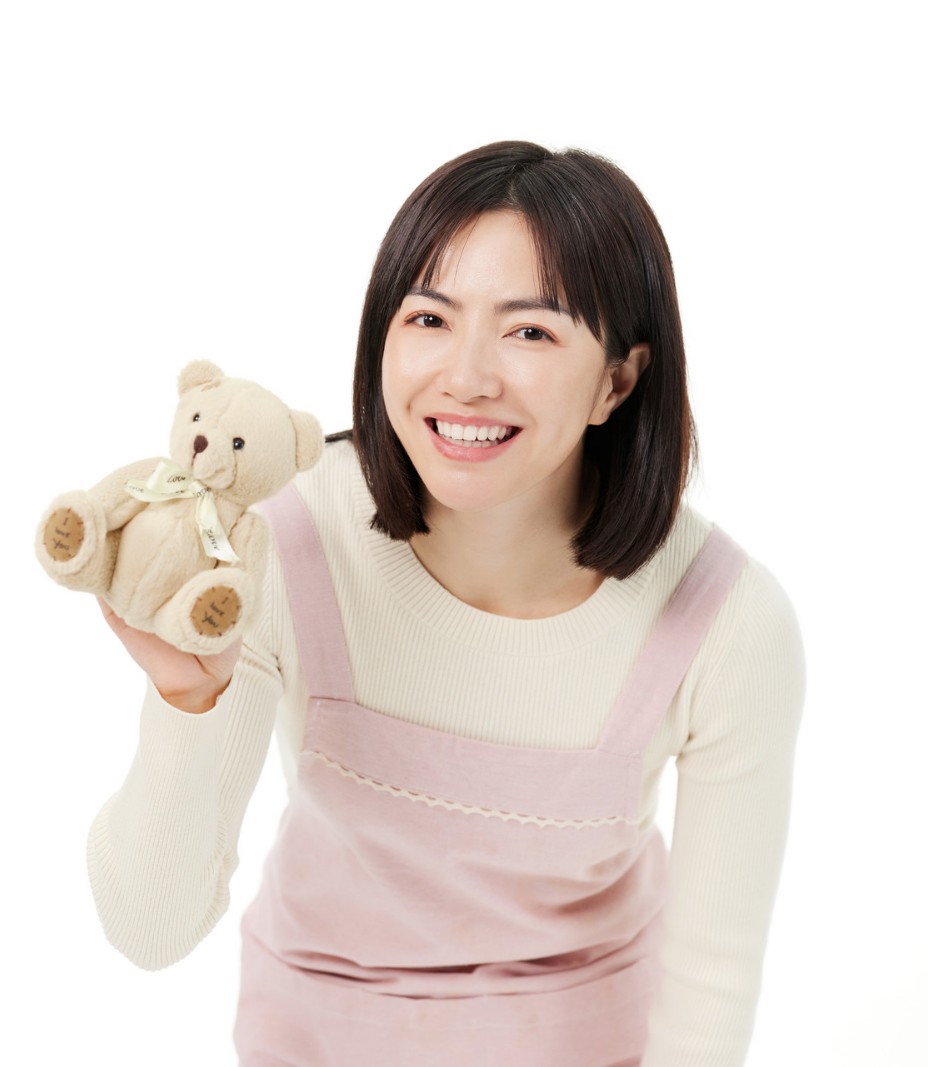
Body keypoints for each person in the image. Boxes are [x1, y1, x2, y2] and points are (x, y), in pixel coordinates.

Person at [89, 140, 806, 1066]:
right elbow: (150, 930)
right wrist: (189, 698)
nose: (466, 377)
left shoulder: (728, 622)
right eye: (429, 317)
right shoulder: (280, 543)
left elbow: (709, 994)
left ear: (617, 380)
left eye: (530, 332)